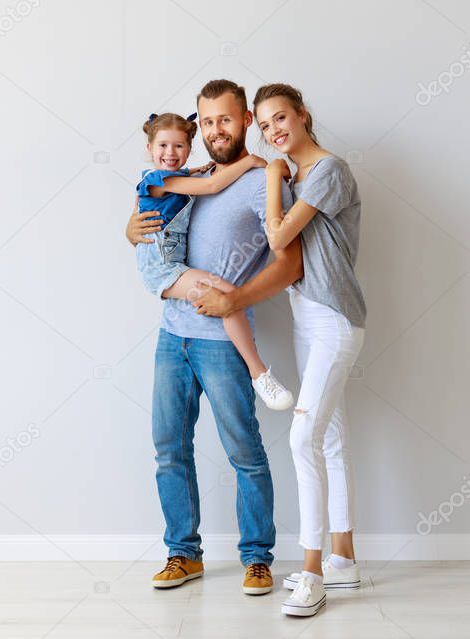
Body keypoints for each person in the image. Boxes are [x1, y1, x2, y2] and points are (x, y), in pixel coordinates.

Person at [125, 79, 302, 595]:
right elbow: (152, 220)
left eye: (224, 119)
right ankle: (184, 554)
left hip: (221, 342)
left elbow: (290, 264)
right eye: (205, 122)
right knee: (169, 450)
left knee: (245, 452)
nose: (213, 130)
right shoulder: (190, 174)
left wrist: (237, 301)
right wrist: (129, 229)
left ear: (246, 120)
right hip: (171, 336)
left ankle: (257, 558)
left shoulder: (265, 182)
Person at [250, 83, 368, 617]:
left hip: (336, 322)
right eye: (264, 124)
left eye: (280, 118)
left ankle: (313, 571)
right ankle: (343, 559)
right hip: (305, 319)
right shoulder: (303, 176)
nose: (274, 131)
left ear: (303, 116)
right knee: (332, 437)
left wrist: (273, 175)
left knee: (302, 437)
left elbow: (279, 239)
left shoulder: (328, 171)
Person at [134, 111, 293, 410]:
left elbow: (198, 180)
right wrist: (250, 162)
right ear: (149, 149)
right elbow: (210, 187)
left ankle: (258, 372)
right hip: (161, 268)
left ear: (189, 149)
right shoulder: (155, 180)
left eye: (179, 146)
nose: (171, 153)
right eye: (163, 146)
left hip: (173, 265)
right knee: (223, 292)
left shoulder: (183, 175)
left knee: (226, 295)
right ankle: (258, 372)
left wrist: (198, 169)